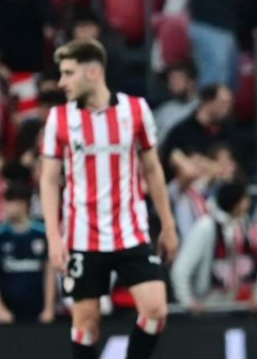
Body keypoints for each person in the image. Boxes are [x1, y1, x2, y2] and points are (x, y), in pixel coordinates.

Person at [40, 39, 179, 359]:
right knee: (86, 322)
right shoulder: (59, 119)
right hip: (81, 236)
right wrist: (54, 236)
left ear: (92, 72)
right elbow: (48, 180)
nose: (62, 82)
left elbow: (153, 170)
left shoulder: (135, 110)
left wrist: (168, 225)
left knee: (156, 310)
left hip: (130, 230)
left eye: (68, 73)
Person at [170, 182, 253, 314]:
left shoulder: (242, 226)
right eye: (245, 198)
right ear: (236, 202)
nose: (249, 202)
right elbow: (181, 269)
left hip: (234, 305)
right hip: (208, 305)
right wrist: (187, 302)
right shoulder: (206, 226)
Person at [0, 182, 55, 324]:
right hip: (7, 313)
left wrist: (49, 308)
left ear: (22, 204)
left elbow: (50, 273)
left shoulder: (41, 233)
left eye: (9, 202)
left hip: (38, 310)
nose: (4, 207)